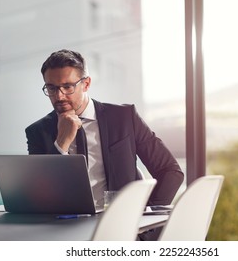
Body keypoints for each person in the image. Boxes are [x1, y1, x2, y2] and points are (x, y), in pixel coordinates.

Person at [25, 49, 184, 238]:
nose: (59, 96)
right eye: (51, 88)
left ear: (86, 83)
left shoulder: (124, 118)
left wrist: (143, 221)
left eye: (67, 87)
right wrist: (61, 143)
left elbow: (170, 171)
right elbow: (38, 196)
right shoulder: (37, 132)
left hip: (123, 231)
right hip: (64, 233)